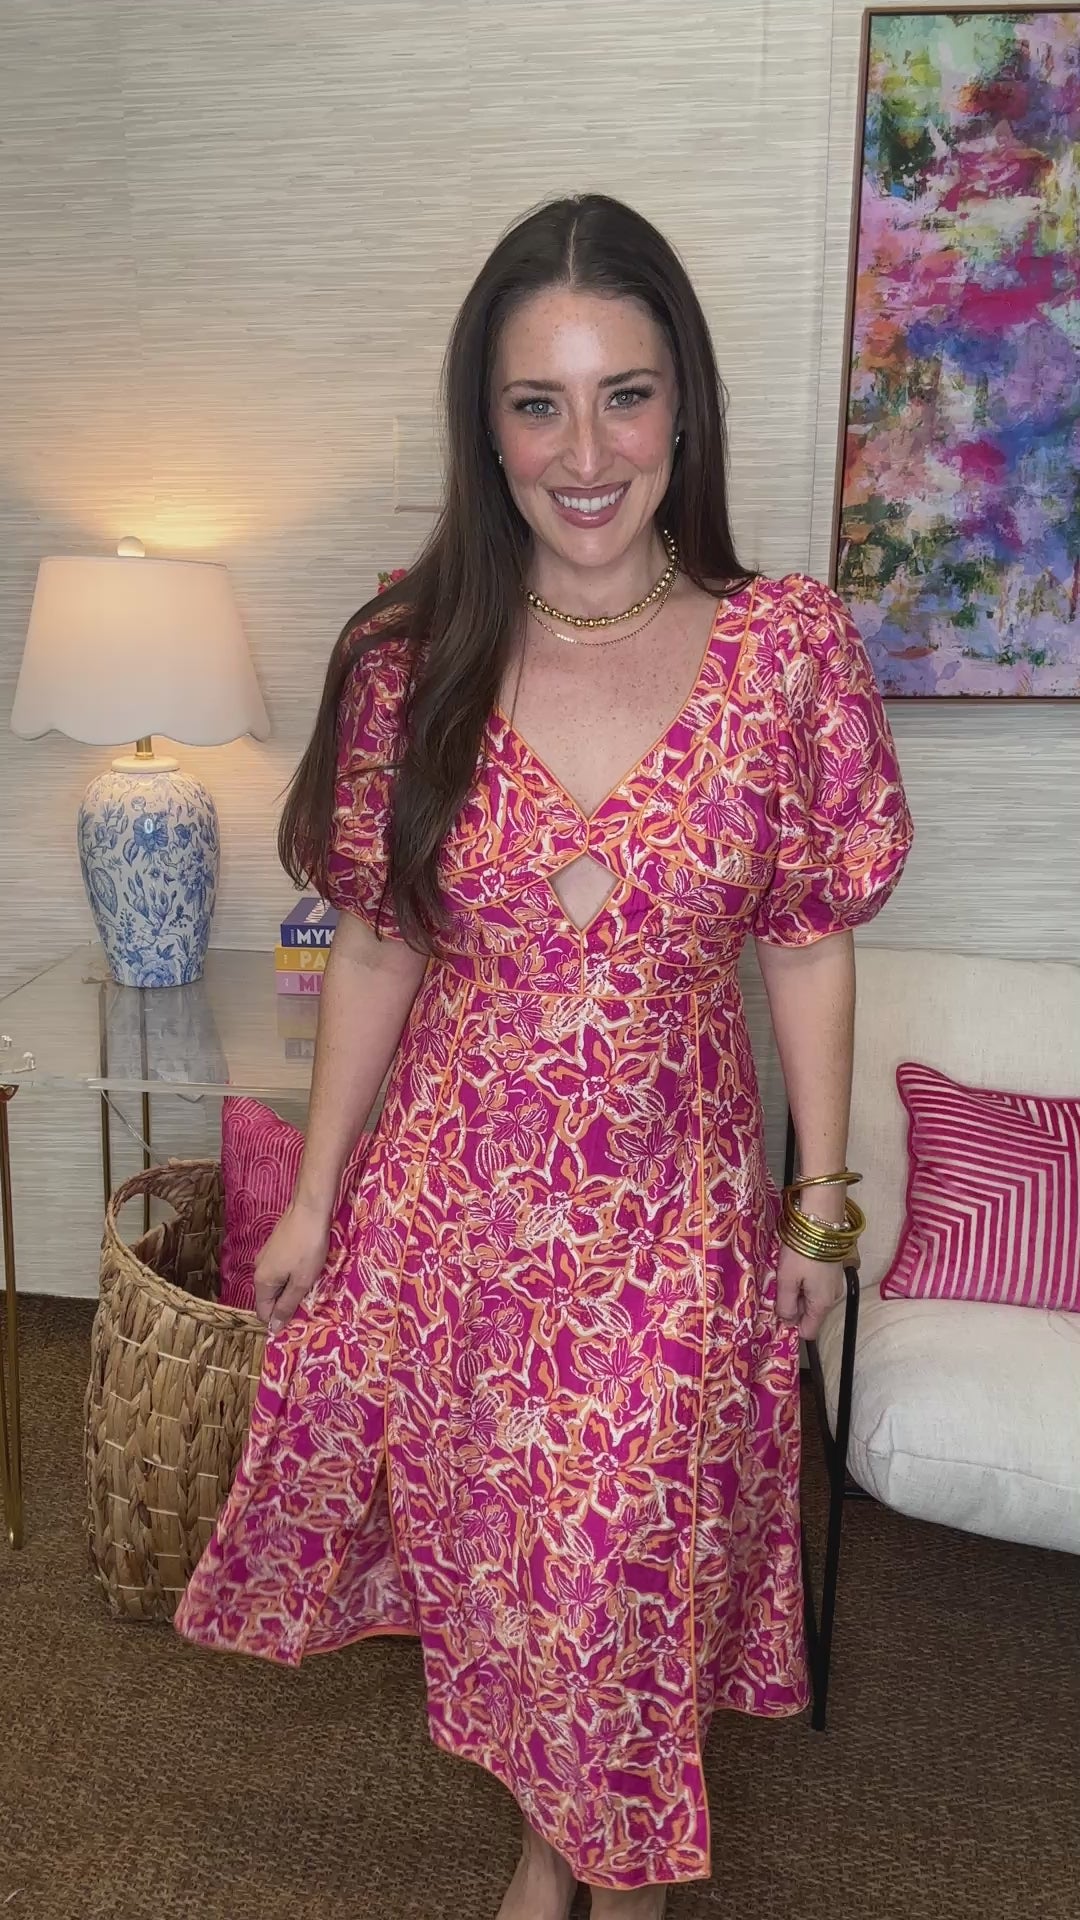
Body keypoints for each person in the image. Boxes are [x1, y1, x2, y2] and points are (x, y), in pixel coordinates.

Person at [174, 193, 914, 1917]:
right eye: (537, 403)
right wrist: (314, 1204)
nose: (586, 452)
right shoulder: (405, 653)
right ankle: (556, 1844)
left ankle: (604, 1881)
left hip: (665, 1225)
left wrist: (819, 1205)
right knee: (526, 1581)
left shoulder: (780, 654)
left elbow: (806, 933)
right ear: (485, 423)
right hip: (460, 1228)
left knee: (618, 1567)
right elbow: (375, 939)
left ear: (685, 408)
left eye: (626, 394)